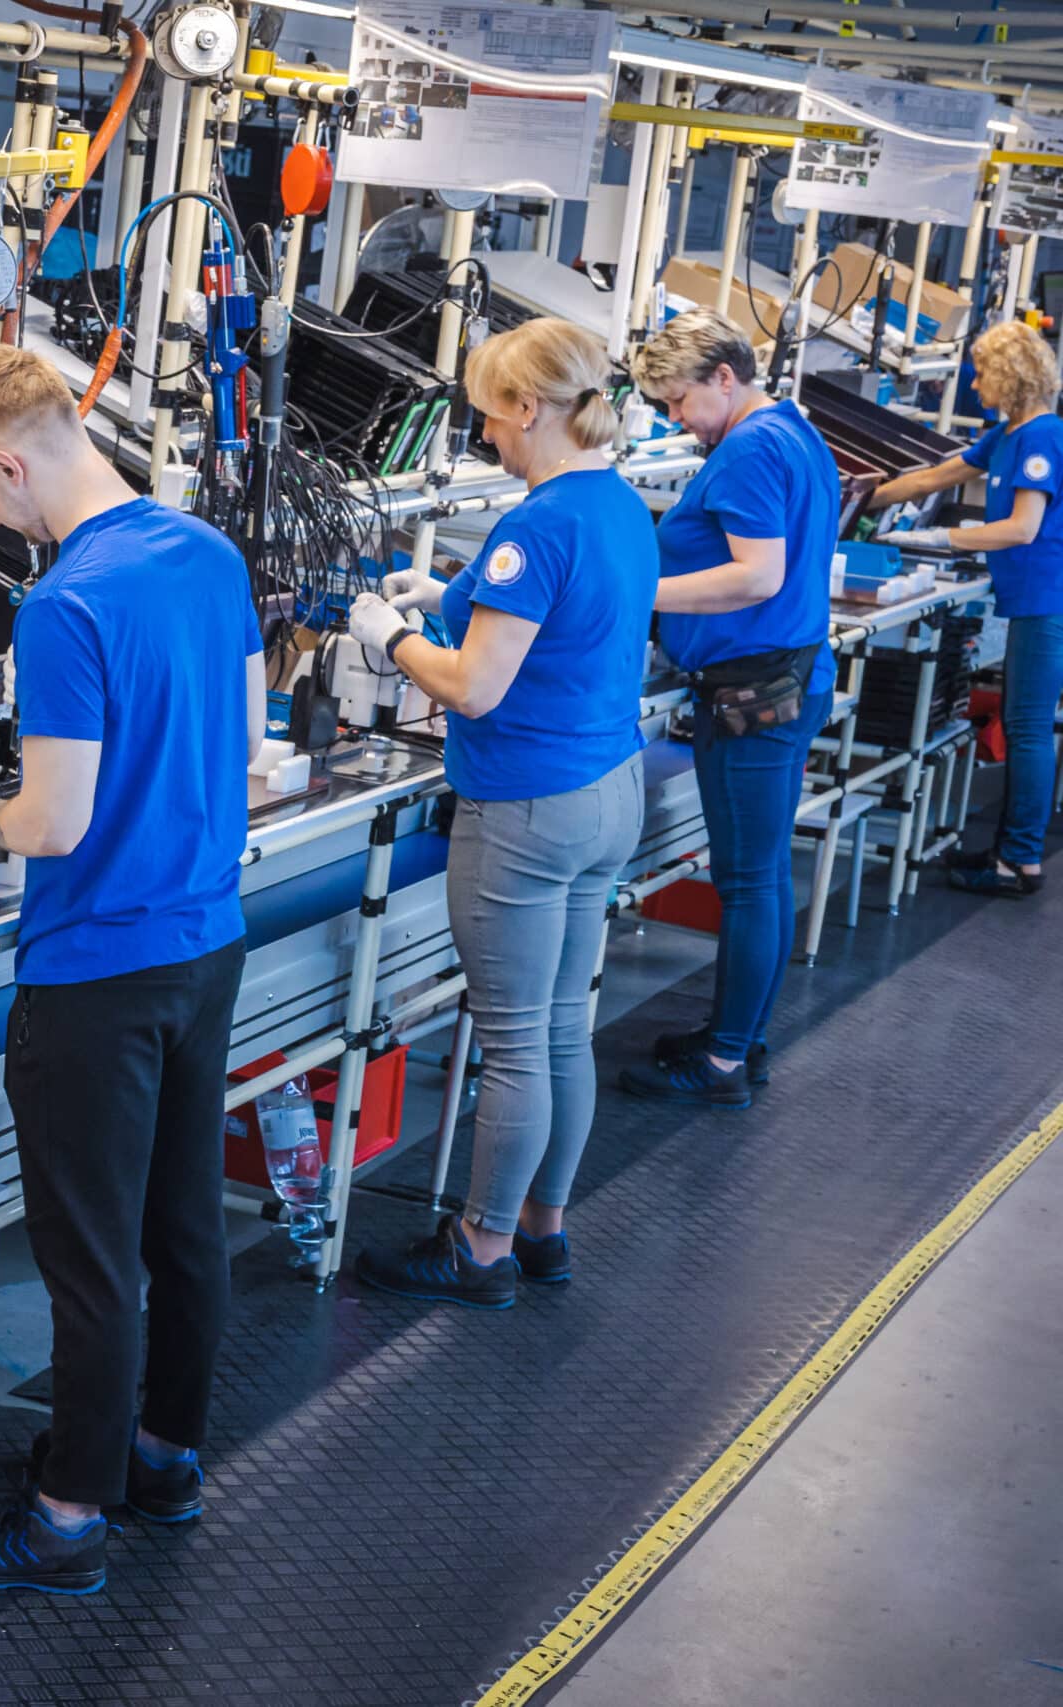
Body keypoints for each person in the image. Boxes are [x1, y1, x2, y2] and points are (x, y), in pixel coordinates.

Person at [0, 345, 261, 1595]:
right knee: (180, 1225)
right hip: (206, 944)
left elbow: (52, 823)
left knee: (91, 1255)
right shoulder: (205, 553)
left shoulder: (64, 604)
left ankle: (61, 1522)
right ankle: (161, 1458)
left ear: (7, 459)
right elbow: (249, 737)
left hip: (97, 967)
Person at [344, 319, 655, 1308]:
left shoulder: (537, 523)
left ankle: (477, 1250)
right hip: (609, 791)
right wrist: (451, 590)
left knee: (514, 1042)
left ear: (530, 408)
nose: (485, 436)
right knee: (565, 1028)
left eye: (488, 415)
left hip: (527, 809)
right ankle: (540, 1229)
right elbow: (559, 623)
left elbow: (473, 687)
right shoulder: (617, 504)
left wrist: (391, 636)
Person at [618, 310, 842, 1109]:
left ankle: (718, 1065)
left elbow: (755, 577)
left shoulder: (748, 449)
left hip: (755, 694)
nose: (676, 419)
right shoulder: (791, 430)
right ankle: (739, 1038)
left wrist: (630, 591)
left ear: (724, 377)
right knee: (764, 877)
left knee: (748, 882)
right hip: (789, 677)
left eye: (680, 401)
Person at [869, 320, 1063, 897]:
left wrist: (940, 541)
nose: (975, 384)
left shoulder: (1041, 437)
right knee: (1025, 724)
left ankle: (1018, 861)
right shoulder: (1008, 433)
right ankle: (1015, 851)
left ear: (1010, 375)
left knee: (1027, 729)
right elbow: (939, 475)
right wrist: (856, 494)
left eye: (982, 372)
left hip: (1046, 600)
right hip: (1030, 596)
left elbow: (1023, 528)